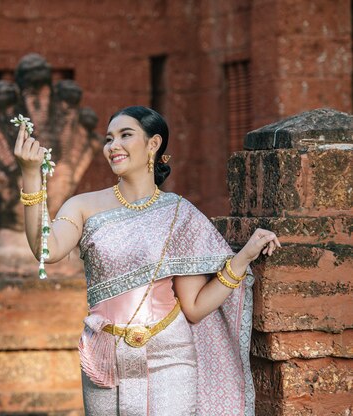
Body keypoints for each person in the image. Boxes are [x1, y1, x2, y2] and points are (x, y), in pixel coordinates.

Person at [14, 106, 280, 416]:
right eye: (109, 138)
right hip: (105, 357)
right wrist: (31, 174)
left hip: (169, 355)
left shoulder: (179, 214)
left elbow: (194, 307)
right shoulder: (83, 206)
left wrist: (245, 256)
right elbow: (46, 249)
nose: (114, 146)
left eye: (125, 135)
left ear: (153, 144)